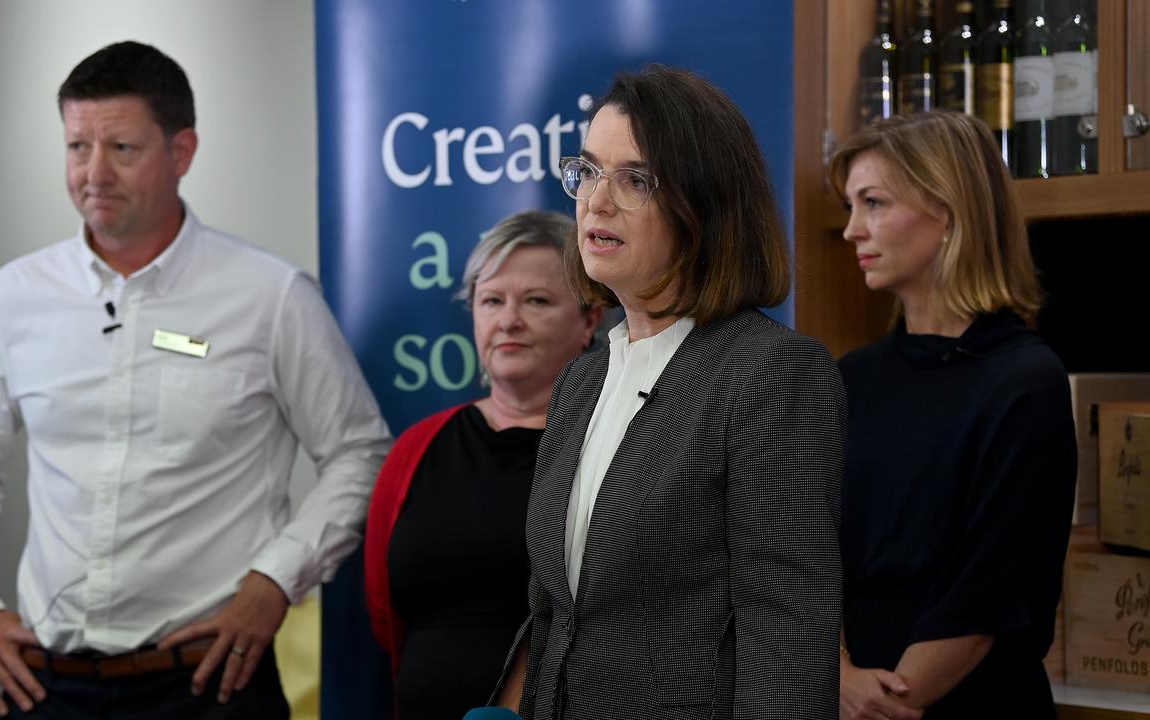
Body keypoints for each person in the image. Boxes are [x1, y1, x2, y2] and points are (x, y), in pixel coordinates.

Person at [0, 41, 392, 719]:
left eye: (122, 148)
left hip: (212, 683)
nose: (93, 173)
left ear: (183, 152)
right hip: (50, 683)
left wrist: (274, 582)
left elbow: (359, 452)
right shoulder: (14, 296)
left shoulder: (270, 296)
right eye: (77, 146)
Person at [493, 65, 845, 719]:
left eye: (635, 180)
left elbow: (789, 639)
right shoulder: (583, 377)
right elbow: (554, 615)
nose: (597, 202)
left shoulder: (770, 374)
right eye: (589, 171)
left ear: (704, 208)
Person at [830, 111, 1077, 720]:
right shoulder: (852, 376)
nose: (851, 230)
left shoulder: (1025, 383)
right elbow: (807, 553)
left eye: (874, 203)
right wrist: (837, 677)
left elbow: (991, 585)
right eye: (850, 206)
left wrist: (884, 701)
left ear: (947, 212)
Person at [364, 210, 602, 719]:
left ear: (589, 321)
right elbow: (386, 615)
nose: (508, 320)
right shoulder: (418, 448)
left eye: (536, 301)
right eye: (492, 301)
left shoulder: (616, 447)